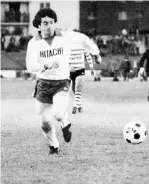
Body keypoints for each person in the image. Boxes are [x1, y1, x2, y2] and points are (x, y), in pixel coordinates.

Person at [26, 8, 101, 155]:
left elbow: (84, 40)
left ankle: (65, 124)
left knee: (58, 114)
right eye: (45, 23)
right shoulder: (34, 43)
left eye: (52, 22)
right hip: (43, 84)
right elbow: (31, 66)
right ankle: (54, 145)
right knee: (44, 124)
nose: (49, 26)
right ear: (39, 26)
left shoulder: (65, 37)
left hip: (62, 82)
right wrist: (45, 65)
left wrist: (96, 53)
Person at [69, 37, 101, 114]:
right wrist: (69, 65)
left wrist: (92, 68)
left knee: (78, 89)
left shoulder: (83, 46)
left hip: (80, 70)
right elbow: (64, 58)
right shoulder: (67, 46)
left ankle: (75, 106)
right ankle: (79, 105)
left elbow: (88, 57)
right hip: (71, 71)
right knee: (74, 89)